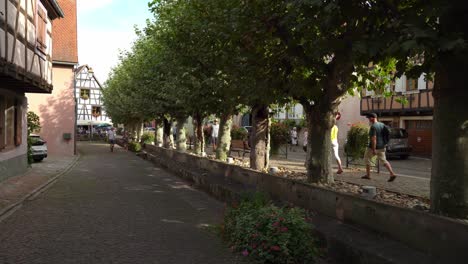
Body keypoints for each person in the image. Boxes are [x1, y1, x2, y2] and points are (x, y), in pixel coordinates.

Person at [362, 113, 397, 182]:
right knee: (384, 160)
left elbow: (374, 138)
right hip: (382, 146)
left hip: (373, 147)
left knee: (366, 158)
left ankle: (368, 175)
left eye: (369, 118)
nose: (368, 119)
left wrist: (374, 149)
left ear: (372, 118)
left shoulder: (373, 127)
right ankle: (392, 173)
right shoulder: (382, 125)